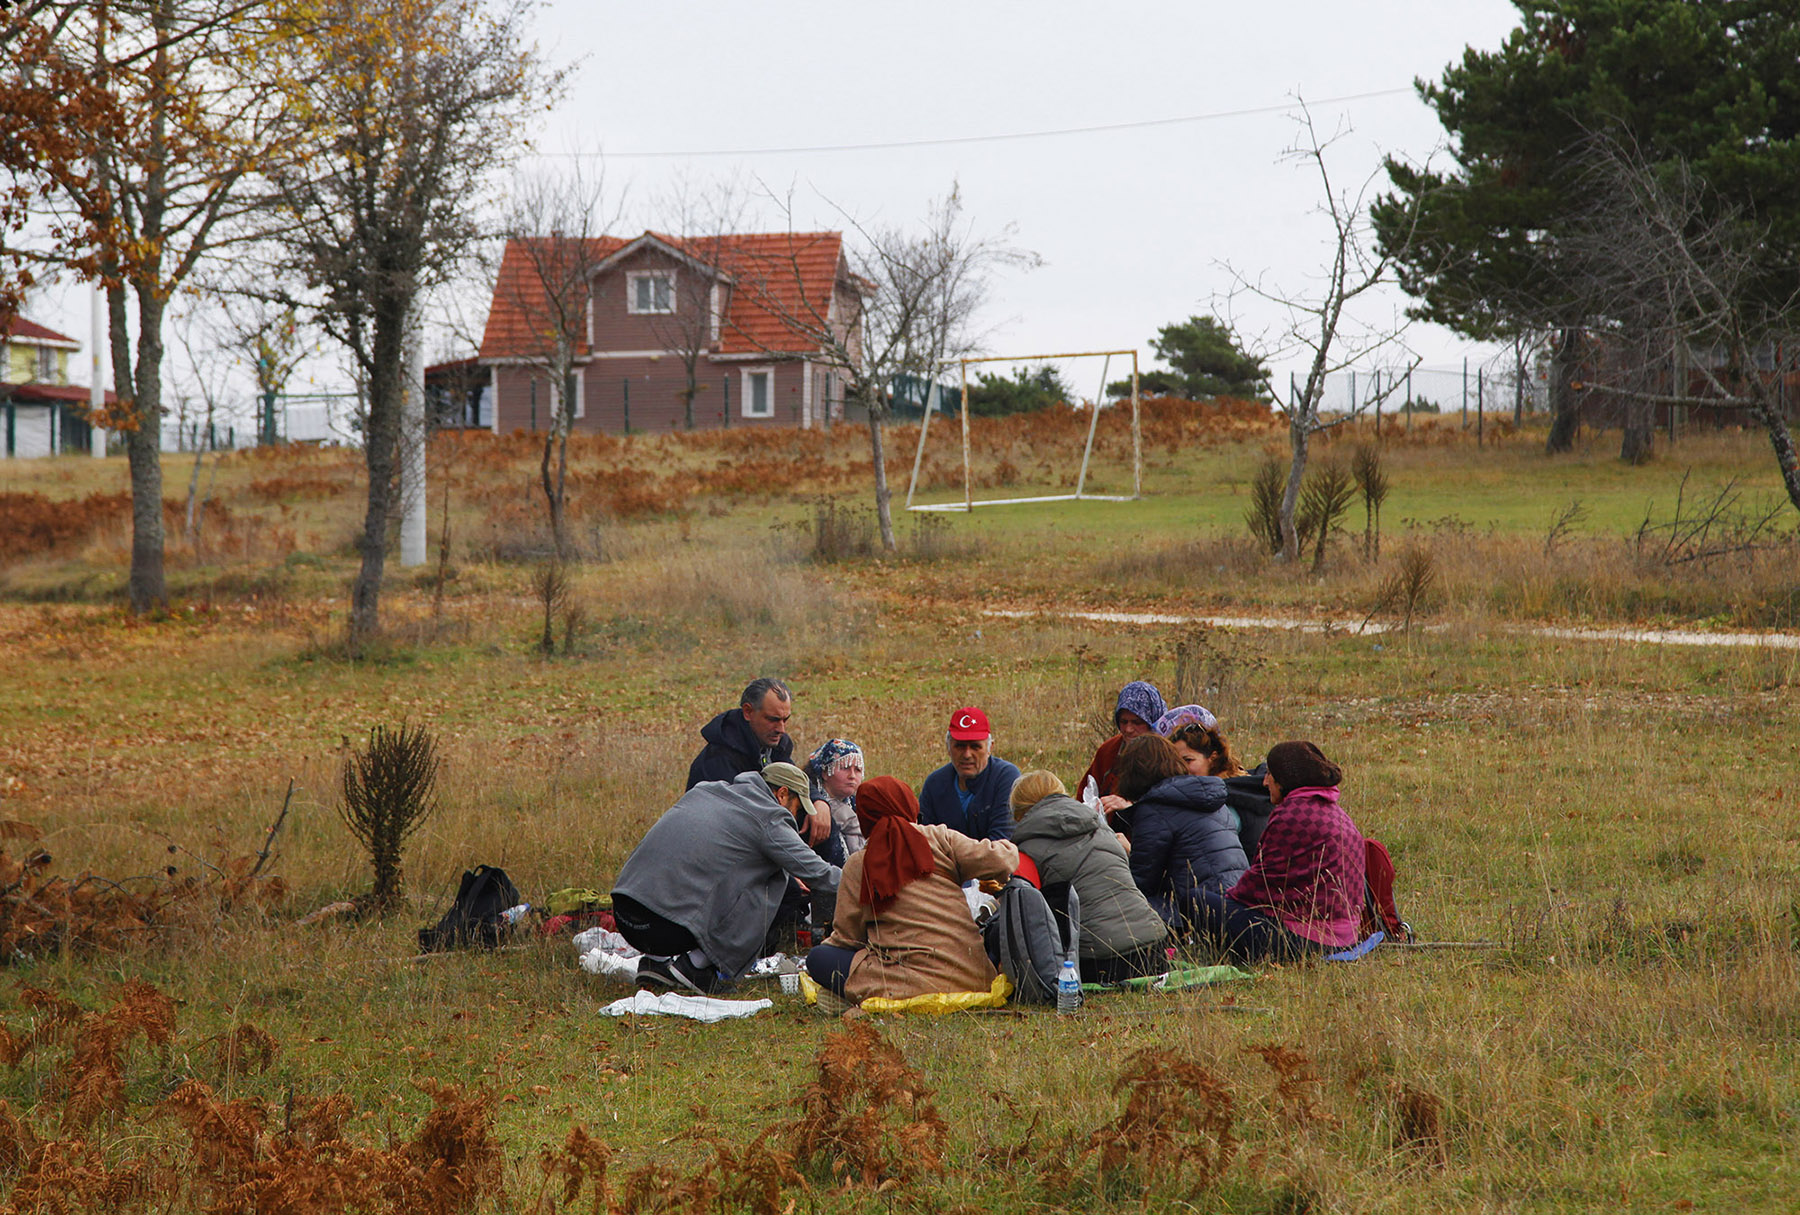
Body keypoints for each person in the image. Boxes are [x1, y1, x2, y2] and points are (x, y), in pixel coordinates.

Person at [612, 762, 839, 994]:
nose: (796, 816)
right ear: (782, 794)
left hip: (625, 913)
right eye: (798, 809)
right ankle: (695, 966)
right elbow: (817, 872)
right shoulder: (769, 818)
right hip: (666, 928)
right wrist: (861, 882)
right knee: (778, 879)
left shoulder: (704, 792)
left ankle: (655, 962)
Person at [804, 776, 1019, 1002]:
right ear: (909, 806)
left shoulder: (859, 864)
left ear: (864, 817)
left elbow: (847, 939)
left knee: (819, 957)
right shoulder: (940, 838)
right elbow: (1003, 861)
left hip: (905, 985)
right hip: (972, 979)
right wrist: (1006, 846)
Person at [1194, 741, 1367, 964]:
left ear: (1285, 780)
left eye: (1270, 775)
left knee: (1196, 899)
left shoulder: (1292, 814)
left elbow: (1260, 885)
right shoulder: (1334, 810)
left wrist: (1225, 900)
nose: (1264, 782)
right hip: (1346, 936)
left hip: (1307, 941)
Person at [1008, 770, 1169, 983]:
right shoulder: (1102, 828)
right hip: (1154, 948)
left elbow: (1029, 916)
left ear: (1020, 813)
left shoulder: (1026, 850)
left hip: (1101, 959)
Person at [1112, 734, 1248, 931]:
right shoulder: (1212, 801)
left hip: (1196, 908)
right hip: (1234, 901)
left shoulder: (1154, 809)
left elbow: (1141, 883)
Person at [688, 677, 828, 844]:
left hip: (762, 830)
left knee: (818, 820)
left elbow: (794, 778)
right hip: (722, 844)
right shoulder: (718, 759)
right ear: (748, 712)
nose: (781, 729)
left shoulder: (773, 745)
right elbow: (733, 822)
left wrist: (819, 801)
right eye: (773, 719)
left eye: (785, 720)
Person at [1156, 704, 1273, 857]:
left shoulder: (1222, 800)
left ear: (1212, 758)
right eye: (1176, 762)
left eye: (1188, 760)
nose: (1181, 769)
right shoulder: (1245, 784)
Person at [917, 706, 1019, 841]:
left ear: (990, 748)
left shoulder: (1005, 777)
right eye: (959, 746)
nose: (967, 755)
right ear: (948, 747)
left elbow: (1002, 843)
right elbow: (924, 842)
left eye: (975, 746)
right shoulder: (935, 784)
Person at [1080, 681, 1168, 816]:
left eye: (1137, 722)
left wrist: (1131, 806)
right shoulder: (1109, 751)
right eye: (1123, 722)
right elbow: (1084, 795)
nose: (1128, 729)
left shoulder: (1168, 755)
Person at [806, 738, 866, 855]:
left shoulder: (860, 806)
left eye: (858, 770)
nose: (852, 776)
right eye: (845, 768)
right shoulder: (809, 806)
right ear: (825, 773)